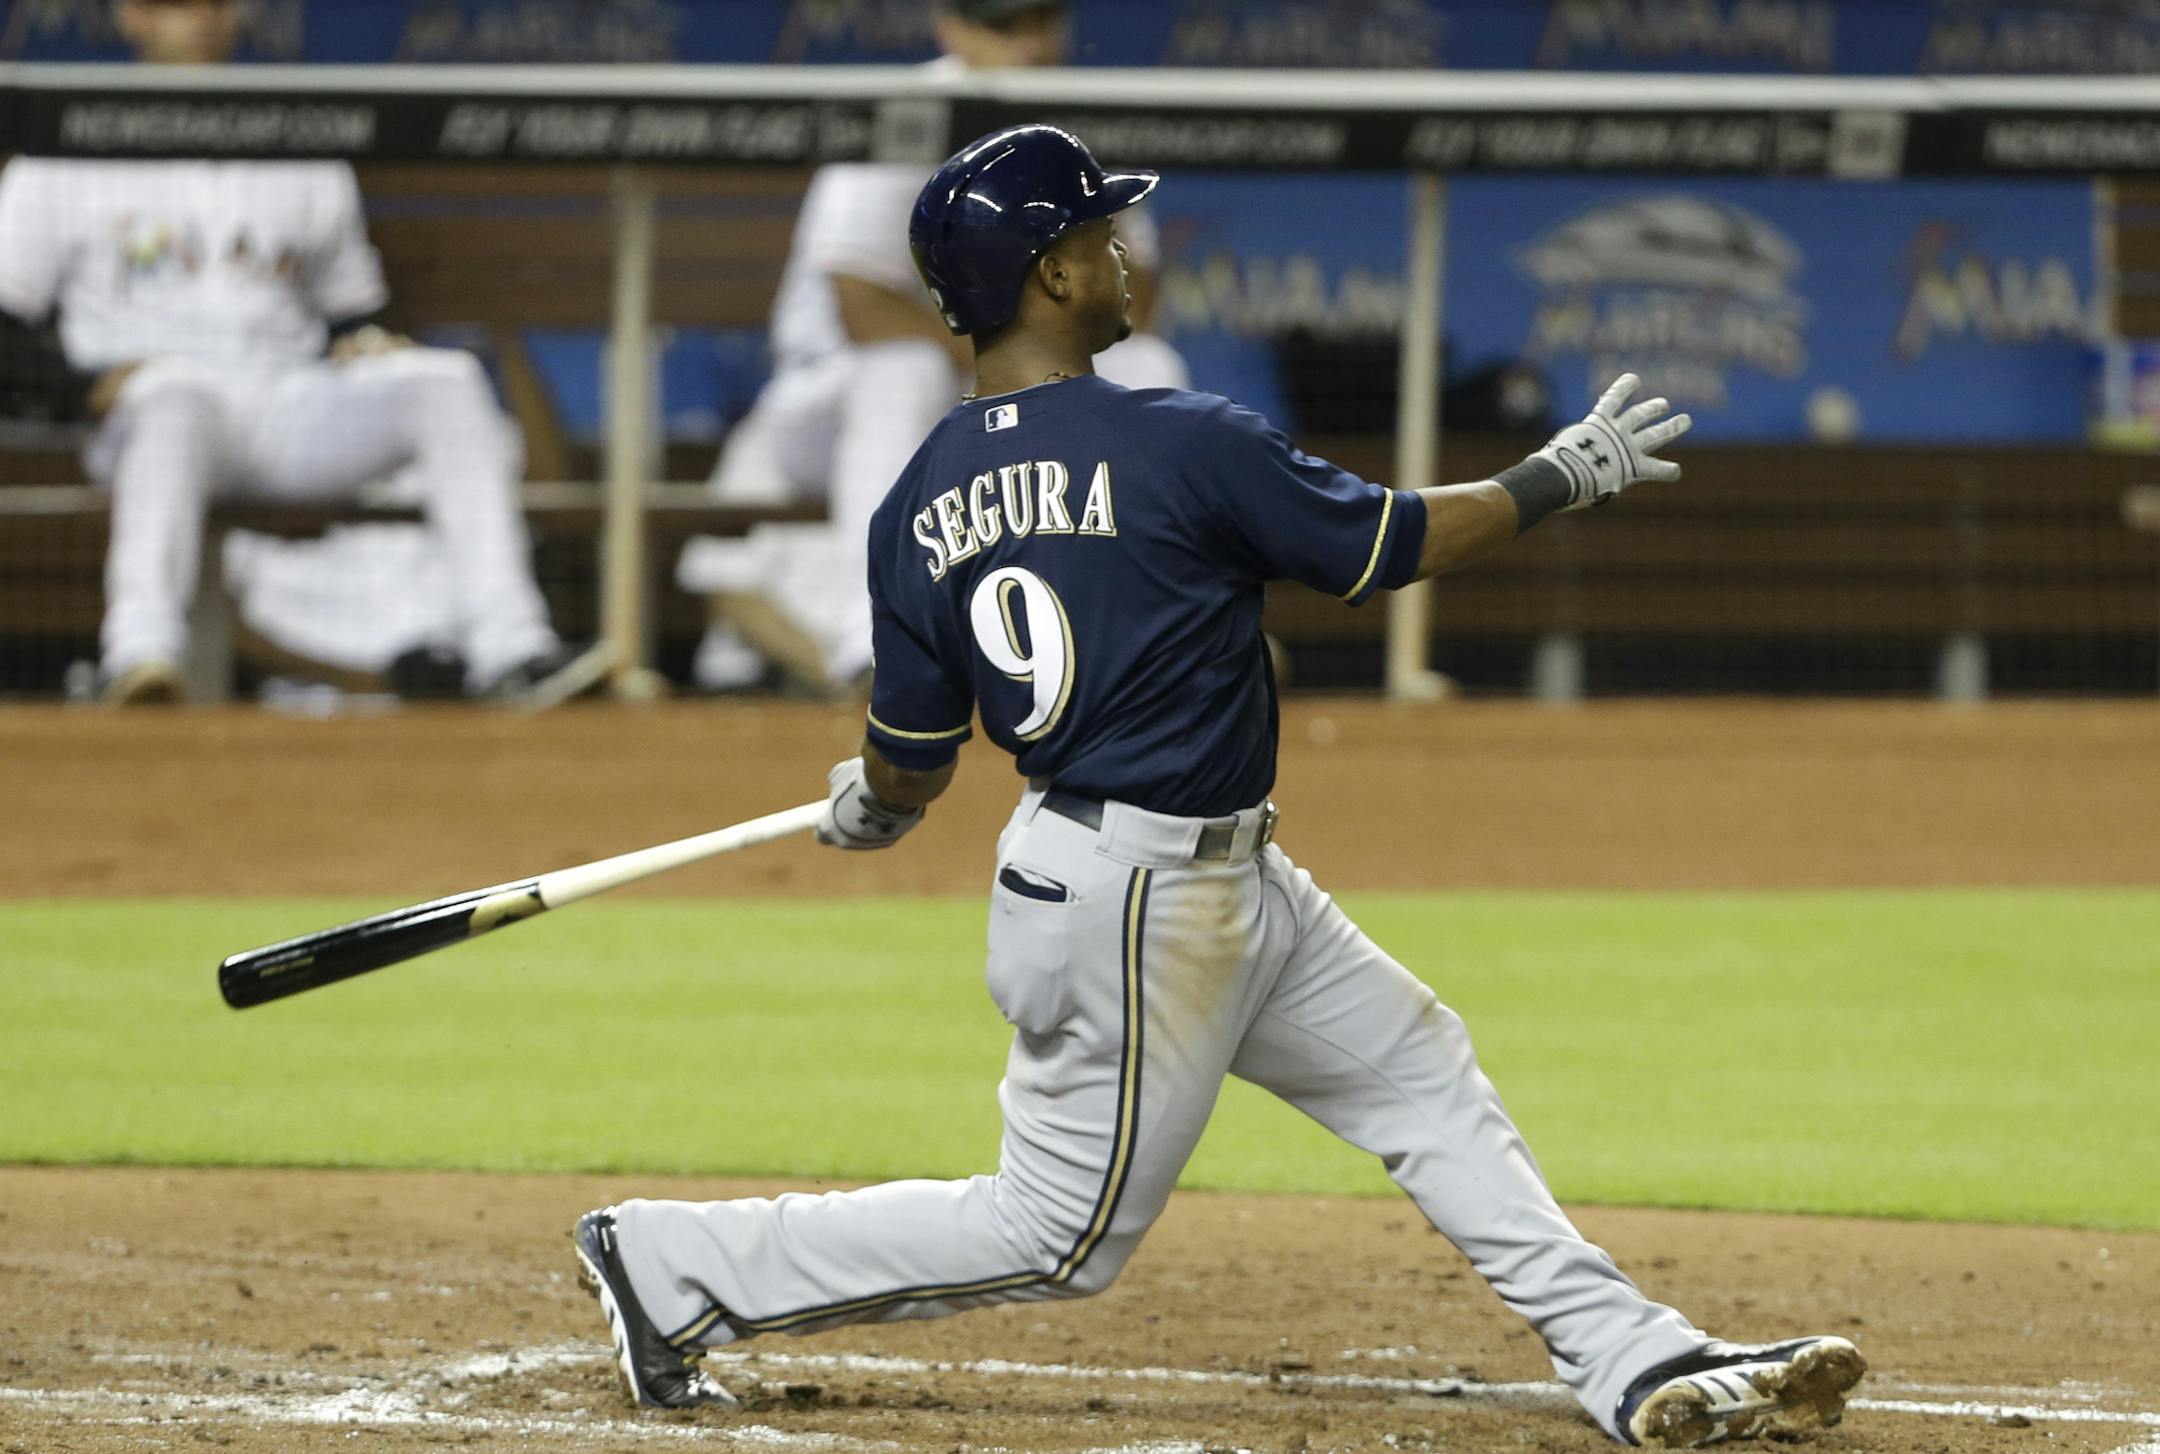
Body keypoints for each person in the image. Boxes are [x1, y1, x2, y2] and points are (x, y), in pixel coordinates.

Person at [572, 126, 1868, 1450]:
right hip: (1136, 901)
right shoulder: (1179, 437)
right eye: (1097, 234)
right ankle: (673, 1264)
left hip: (1193, 876)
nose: (1126, 254)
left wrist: (875, 799)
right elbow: (1382, 545)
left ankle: (1636, 1359)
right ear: (1050, 276)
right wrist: (1557, 476)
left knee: (1419, 1069)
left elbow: (913, 758)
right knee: (1057, 1234)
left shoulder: (917, 499)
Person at [0, 0, 562, 704]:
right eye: (174, 4)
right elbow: (5, 324)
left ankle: (514, 649)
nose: (198, 18)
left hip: (288, 401)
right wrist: (80, 388)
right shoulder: (66, 135)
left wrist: (362, 341)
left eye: (213, 3)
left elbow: (353, 309)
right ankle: (140, 653)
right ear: (130, 17)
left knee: (444, 383)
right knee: (174, 401)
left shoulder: (296, 128)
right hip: (151, 409)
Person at [682, 0, 1187, 697]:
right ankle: (877, 647)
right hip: (832, 410)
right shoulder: (909, 111)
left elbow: (1136, 306)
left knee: (1150, 368)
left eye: (1042, 21)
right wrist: (1019, 354)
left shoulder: (1084, 122)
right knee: (901, 371)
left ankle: (1168, 635)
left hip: (1005, 393)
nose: (1030, 45)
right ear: (950, 26)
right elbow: (861, 306)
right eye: (1004, 26)